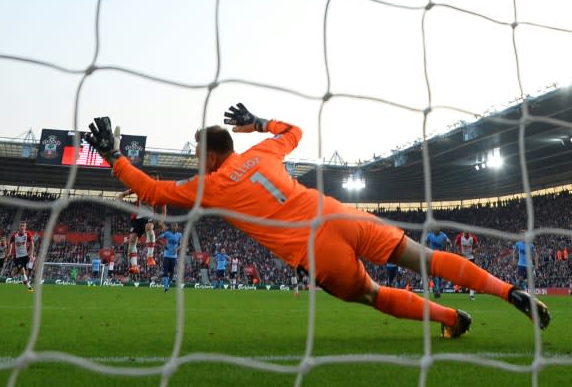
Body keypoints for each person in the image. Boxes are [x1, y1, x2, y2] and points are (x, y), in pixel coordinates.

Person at [83, 103, 551, 338]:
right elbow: (295, 132)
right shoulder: (264, 152)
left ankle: (452, 317)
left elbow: (152, 191)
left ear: (209, 156)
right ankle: (507, 290)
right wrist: (260, 122)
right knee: (424, 258)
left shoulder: (211, 185)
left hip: (313, 249)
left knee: (369, 293)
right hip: (338, 214)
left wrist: (112, 155)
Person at [119, 177, 166, 275]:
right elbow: (123, 194)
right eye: (153, 179)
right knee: (131, 240)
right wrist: (119, 198)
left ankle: (150, 256)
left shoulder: (160, 193)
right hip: (136, 218)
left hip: (149, 217)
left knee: (149, 227)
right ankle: (134, 266)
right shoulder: (140, 187)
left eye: (156, 180)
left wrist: (161, 221)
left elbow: (163, 210)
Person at [424, 229, 452, 298]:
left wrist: (448, 251)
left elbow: (449, 243)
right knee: (434, 274)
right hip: (432, 256)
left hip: (441, 257)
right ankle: (437, 290)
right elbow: (424, 241)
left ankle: (437, 289)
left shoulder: (443, 235)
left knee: (439, 275)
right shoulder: (430, 235)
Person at [9, 221, 35, 292]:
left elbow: (32, 244)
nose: (22, 227)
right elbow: (10, 243)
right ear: (19, 227)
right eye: (21, 226)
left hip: (26, 256)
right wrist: (9, 252)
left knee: (25, 272)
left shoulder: (28, 234)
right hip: (17, 257)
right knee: (23, 272)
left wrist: (31, 254)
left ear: (25, 227)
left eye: (23, 226)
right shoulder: (15, 235)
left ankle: (17, 270)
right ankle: (29, 287)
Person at [158, 221, 182, 293]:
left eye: (175, 226)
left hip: (174, 257)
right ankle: (165, 288)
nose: (174, 227)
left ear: (177, 227)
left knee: (171, 273)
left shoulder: (179, 235)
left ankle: (167, 285)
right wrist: (164, 245)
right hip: (166, 255)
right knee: (165, 272)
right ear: (171, 227)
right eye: (173, 226)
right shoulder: (167, 233)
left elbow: (181, 244)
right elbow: (158, 239)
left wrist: (177, 249)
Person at [454, 230, 479, 300]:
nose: (466, 234)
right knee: (462, 276)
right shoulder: (460, 237)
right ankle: (460, 288)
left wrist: (474, 251)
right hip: (462, 258)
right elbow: (455, 245)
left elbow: (477, 246)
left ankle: (471, 295)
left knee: (472, 276)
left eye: (468, 233)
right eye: (465, 233)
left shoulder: (473, 237)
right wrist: (458, 252)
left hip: (471, 258)